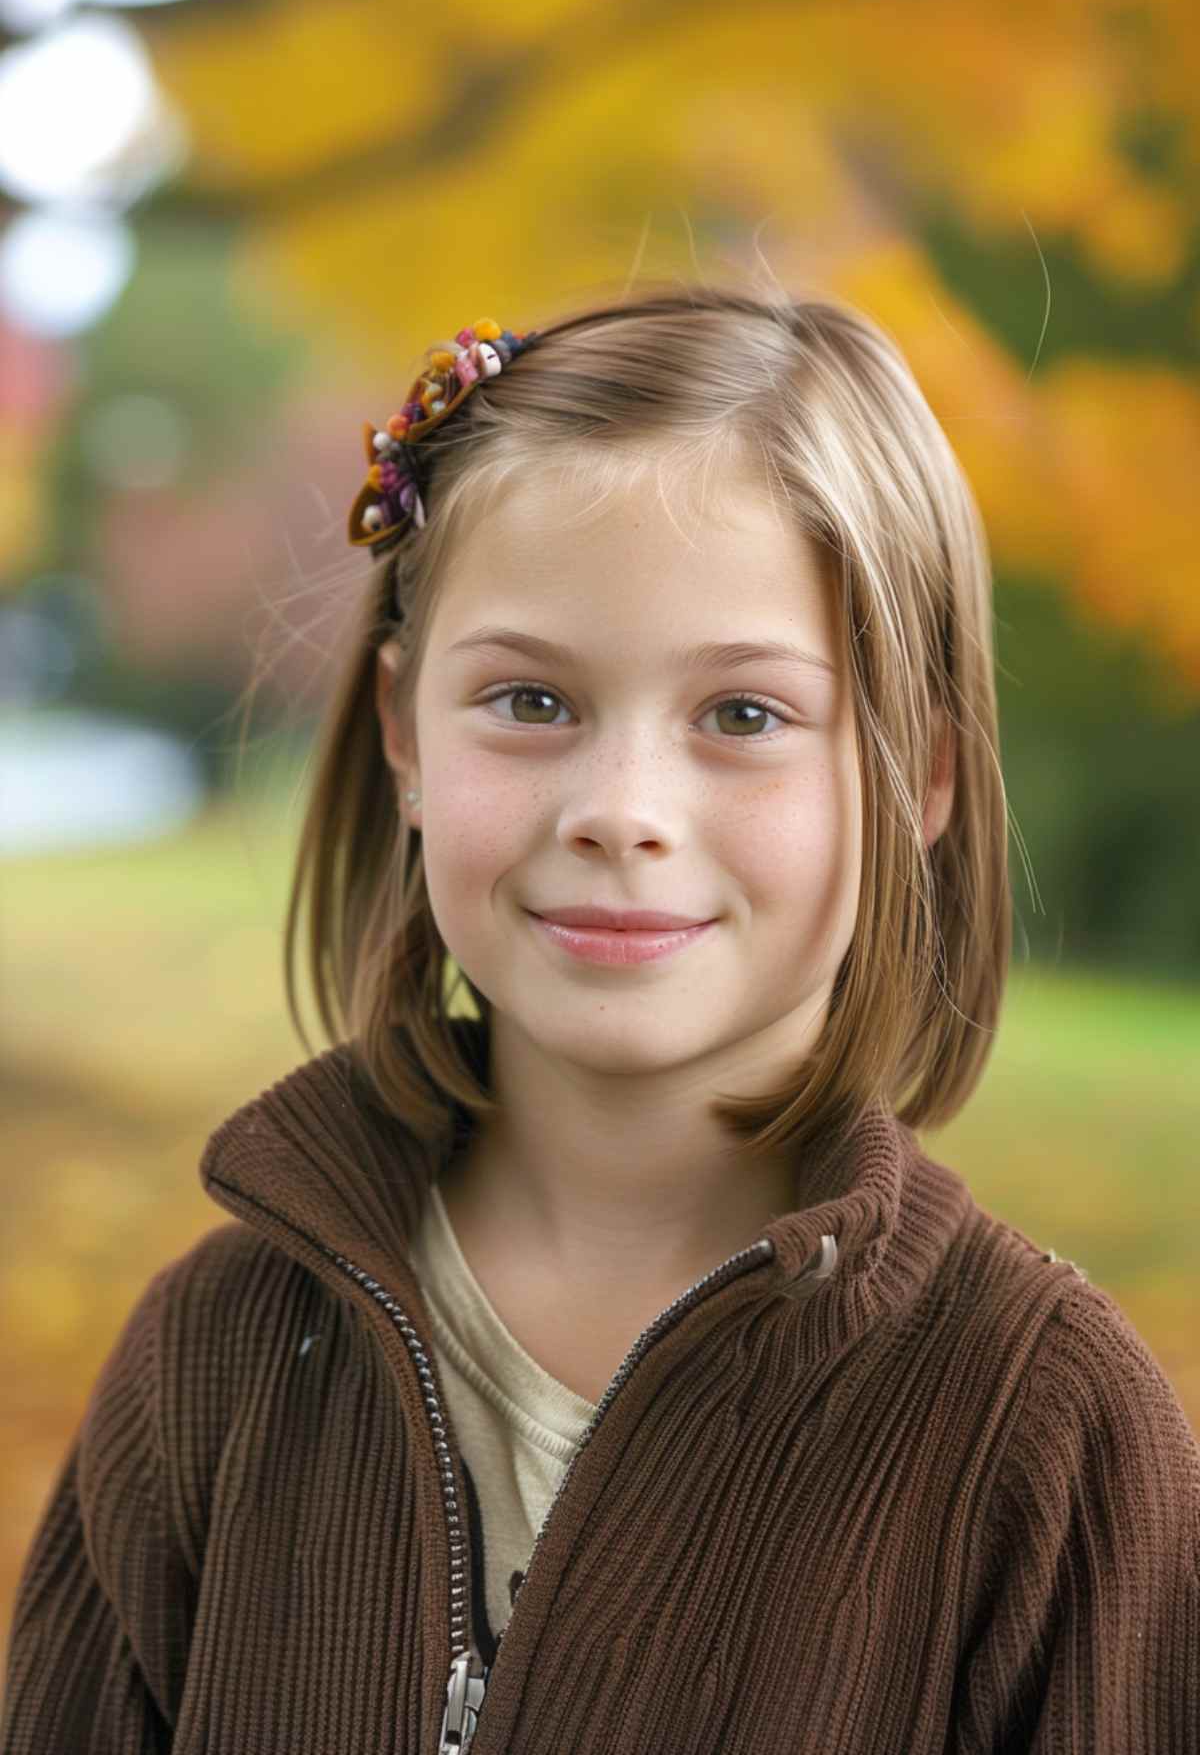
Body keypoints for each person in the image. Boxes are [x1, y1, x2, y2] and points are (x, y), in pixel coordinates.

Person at [3, 285, 1197, 1755]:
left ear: (920, 778)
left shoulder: (1047, 1434)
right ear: (403, 734)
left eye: (743, 717)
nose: (622, 812)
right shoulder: (217, 1357)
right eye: (530, 700)